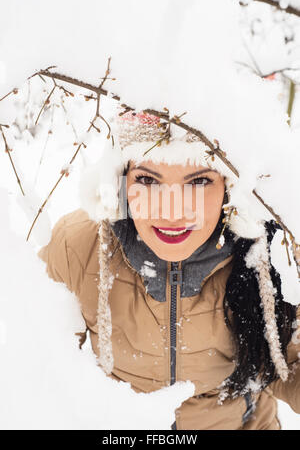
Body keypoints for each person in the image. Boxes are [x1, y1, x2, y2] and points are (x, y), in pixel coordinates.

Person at [38, 109, 300, 430]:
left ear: (229, 189)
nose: (172, 211)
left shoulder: (270, 255)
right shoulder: (78, 245)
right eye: (147, 180)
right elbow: (41, 366)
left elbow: (290, 363)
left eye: (199, 180)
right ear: (120, 182)